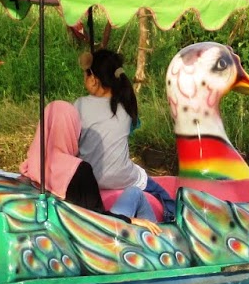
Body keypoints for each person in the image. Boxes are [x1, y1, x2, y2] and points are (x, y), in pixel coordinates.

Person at [74, 48, 176, 222]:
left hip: (90, 179)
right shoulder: (126, 108)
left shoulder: (79, 105)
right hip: (122, 178)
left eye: (85, 74)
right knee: (162, 194)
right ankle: (171, 219)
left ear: (93, 79)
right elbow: (130, 129)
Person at [19, 100, 107, 212]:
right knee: (132, 193)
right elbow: (99, 218)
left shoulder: (30, 167)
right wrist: (131, 221)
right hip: (81, 226)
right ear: (73, 130)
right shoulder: (80, 171)